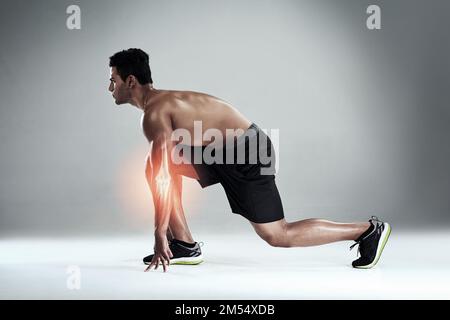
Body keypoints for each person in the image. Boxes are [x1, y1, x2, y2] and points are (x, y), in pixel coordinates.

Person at [108, 48, 391, 272]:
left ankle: (367, 230)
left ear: (130, 81)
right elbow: (163, 168)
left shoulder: (154, 114)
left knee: (277, 235)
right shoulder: (161, 104)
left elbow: (163, 180)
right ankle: (184, 244)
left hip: (249, 152)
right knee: (156, 161)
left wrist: (158, 232)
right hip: (222, 151)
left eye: (113, 80)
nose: (110, 87)